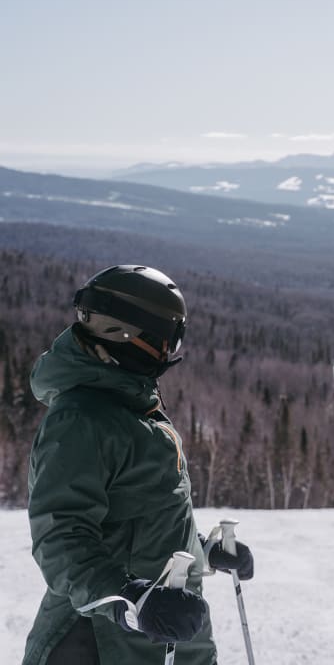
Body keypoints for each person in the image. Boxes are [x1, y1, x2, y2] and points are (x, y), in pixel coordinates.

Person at [22, 264, 254, 665]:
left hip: (163, 635)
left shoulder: (132, 403)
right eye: (169, 336)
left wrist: (203, 550)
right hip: (99, 642)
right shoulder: (82, 419)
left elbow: (143, 517)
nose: (172, 350)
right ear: (130, 335)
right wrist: (132, 596)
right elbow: (60, 538)